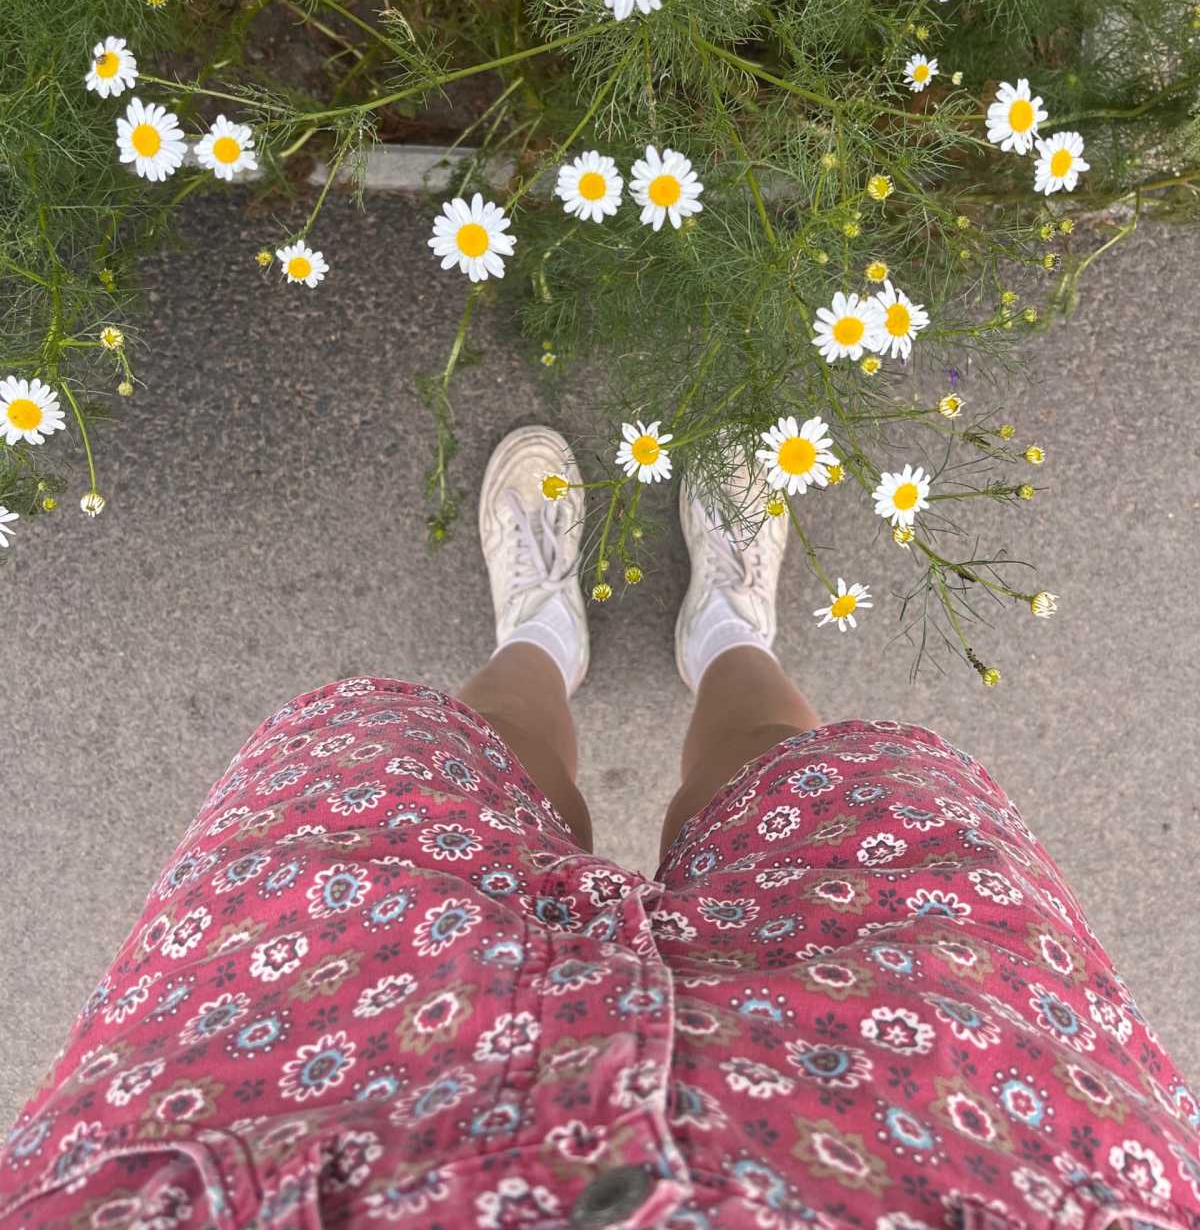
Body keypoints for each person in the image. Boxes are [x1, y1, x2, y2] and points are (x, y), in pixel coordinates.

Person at [2, 424, 1197, 1230]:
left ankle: (545, 638)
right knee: (804, 798)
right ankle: (723, 635)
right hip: (943, 1141)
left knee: (445, 787)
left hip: (286, 1124)